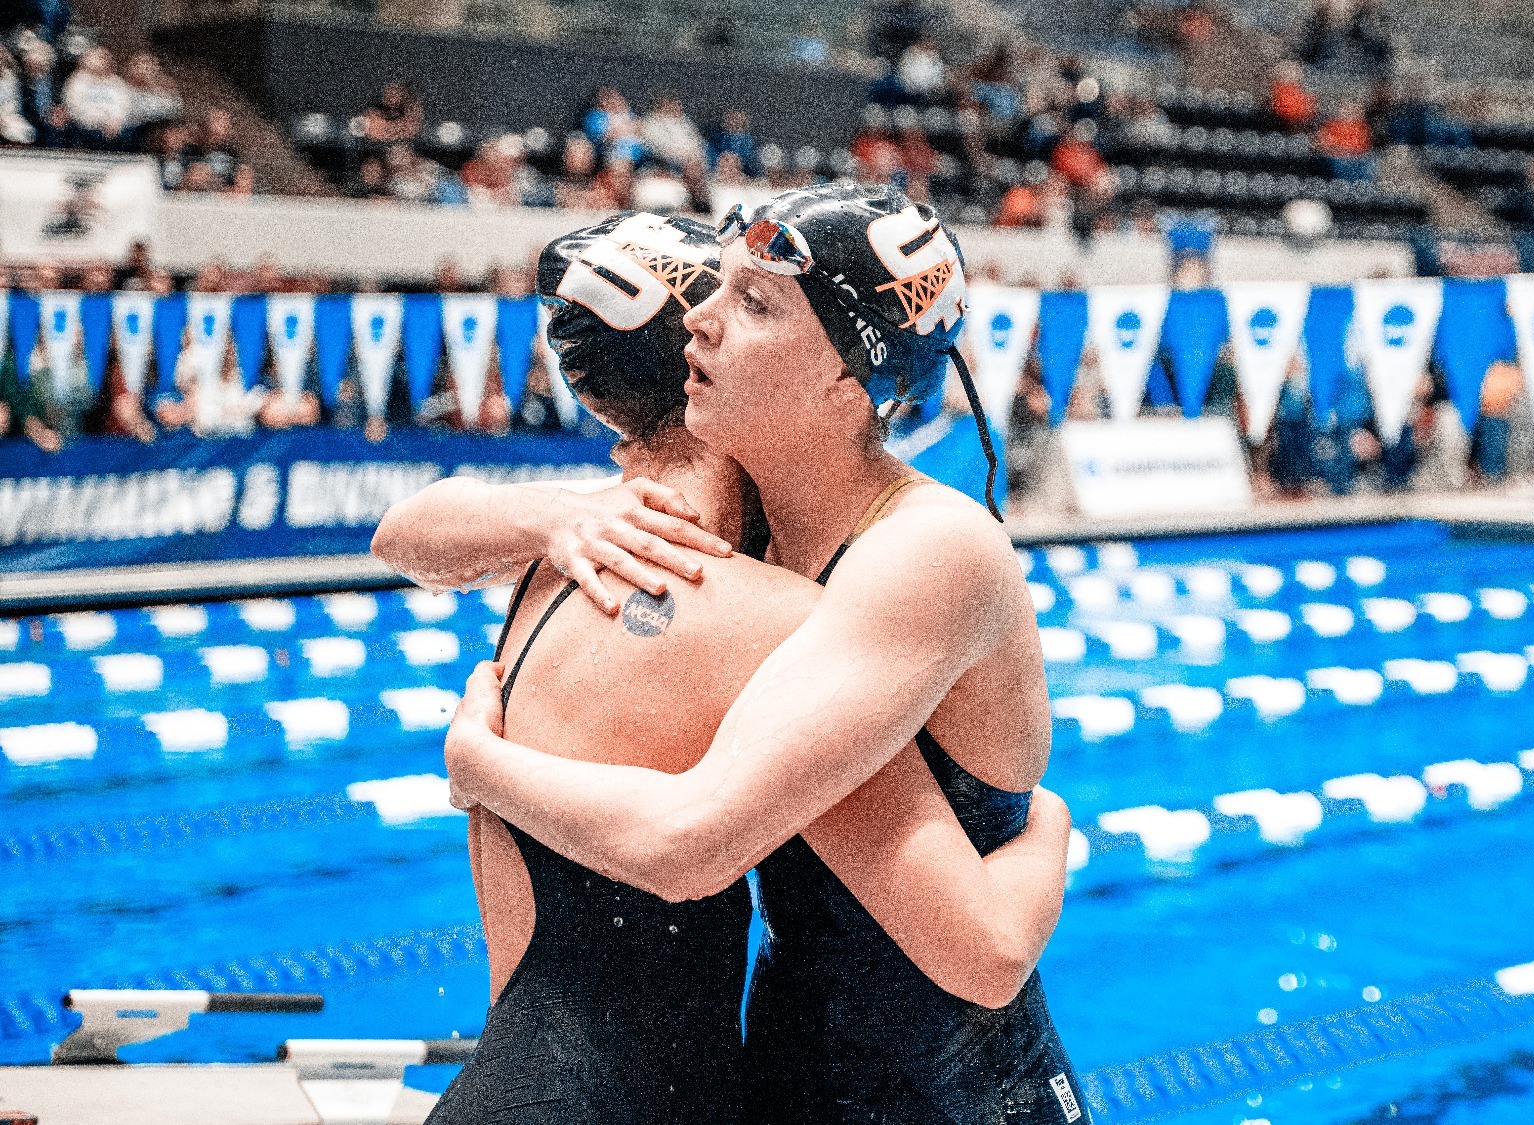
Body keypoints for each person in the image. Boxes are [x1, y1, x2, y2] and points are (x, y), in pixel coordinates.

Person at [392, 213, 1071, 1123]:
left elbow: (980, 953)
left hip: (955, 1094)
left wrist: (478, 763)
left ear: (845, 381)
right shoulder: (733, 535)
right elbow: (410, 533)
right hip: (787, 1069)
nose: (701, 322)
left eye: (753, 302)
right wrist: (546, 514)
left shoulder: (927, 551)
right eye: (711, 288)